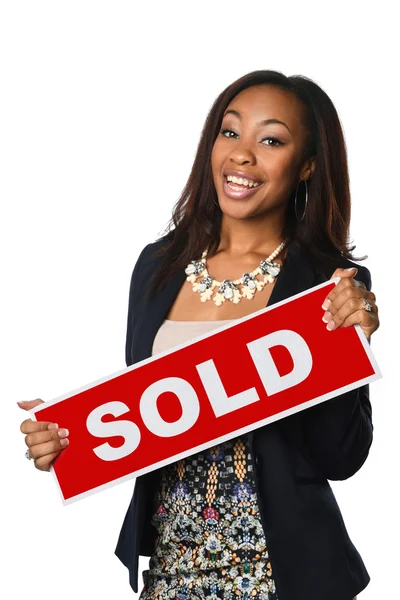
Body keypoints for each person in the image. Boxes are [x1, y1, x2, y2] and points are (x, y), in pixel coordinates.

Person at [19, 70, 380, 600]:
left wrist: (352, 343)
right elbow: (149, 414)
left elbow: (341, 458)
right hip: (172, 570)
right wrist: (71, 437)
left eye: (272, 140)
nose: (242, 155)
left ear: (306, 166)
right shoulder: (157, 267)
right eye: (230, 132)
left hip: (283, 575)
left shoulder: (329, 284)